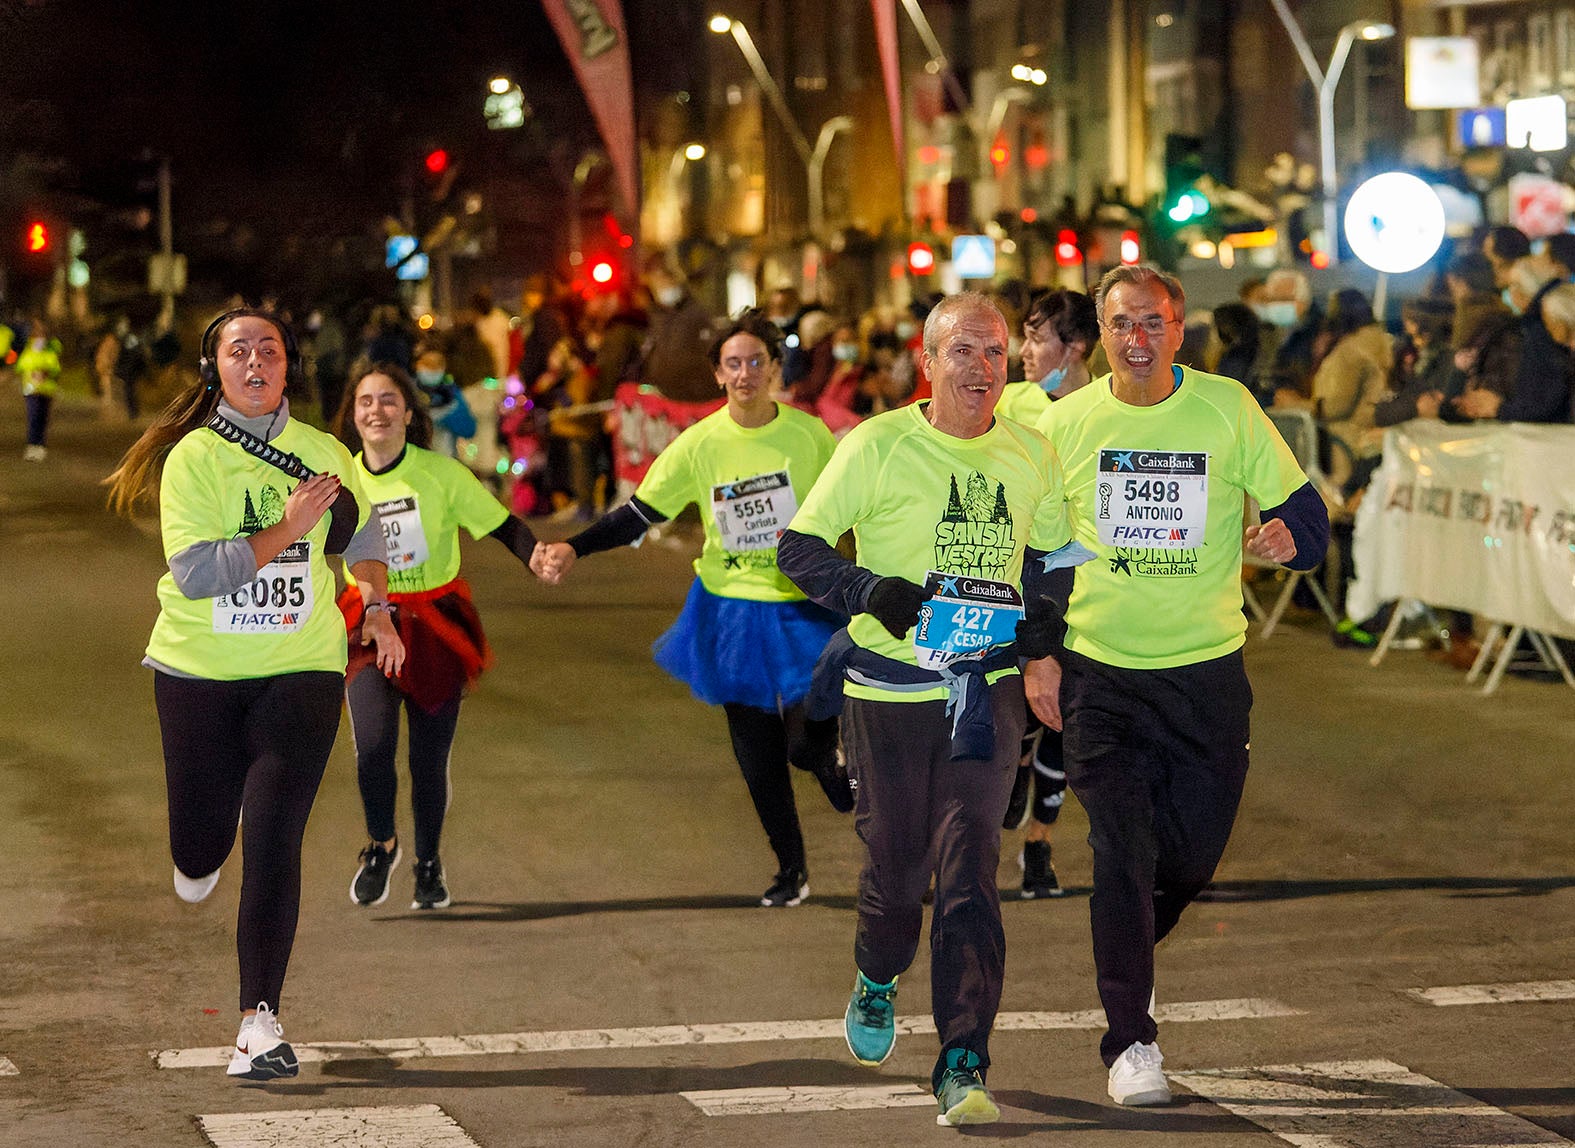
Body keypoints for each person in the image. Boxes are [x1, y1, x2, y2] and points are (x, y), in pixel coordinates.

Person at [778, 292, 1079, 1127]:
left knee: (969, 870)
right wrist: (869, 588)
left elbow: (1052, 552)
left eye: (991, 352)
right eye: (961, 352)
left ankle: (962, 1057)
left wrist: (1044, 620)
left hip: (984, 694)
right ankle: (877, 975)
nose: (979, 368)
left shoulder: (1030, 452)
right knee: (896, 880)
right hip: (889, 696)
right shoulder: (876, 445)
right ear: (928, 361)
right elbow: (797, 548)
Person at [1031, 265, 1328, 1106]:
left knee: (1190, 859)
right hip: (1103, 675)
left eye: (1151, 324)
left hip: (1203, 675)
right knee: (1120, 851)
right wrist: (1039, 653)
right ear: (1102, 329)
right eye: (1121, 324)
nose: (1136, 340)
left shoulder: (1226, 408)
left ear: (1178, 325)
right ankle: (1130, 1039)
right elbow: (1041, 554)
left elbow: (1306, 517)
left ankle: (1125, 956)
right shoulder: (1068, 424)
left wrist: (1284, 543)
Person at [105, 308, 406, 1081]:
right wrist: (288, 525)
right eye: (237, 351)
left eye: (268, 349)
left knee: (273, 833)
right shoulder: (194, 459)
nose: (254, 360)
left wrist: (374, 604)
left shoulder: (320, 450)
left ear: (287, 367)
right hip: (197, 671)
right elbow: (200, 575)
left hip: (298, 665)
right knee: (202, 844)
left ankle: (258, 1023)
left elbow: (361, 536)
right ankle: (199, 851)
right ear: (216, 371)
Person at [532, 311, 852, 907]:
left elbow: (854, 507)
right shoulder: (701, 443)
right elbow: (641, 514)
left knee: (804, 742)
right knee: (756, 753)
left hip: (802, 605)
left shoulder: (808, 437)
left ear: (775, 369)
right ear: (718, 375)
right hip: (730, 610)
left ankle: (832, 764)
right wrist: (575, 548)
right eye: (733, 363)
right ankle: (791, 868)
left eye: (757, 361)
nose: (745, 373)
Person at [332, 362, 543, 910]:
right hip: (367, 624)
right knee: (372, 749)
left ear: (407, 413)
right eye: (365, 402)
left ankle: (429, 862)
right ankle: (382, 845)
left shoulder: (442, 474)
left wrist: (536, 556)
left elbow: (502, 525)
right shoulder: (339, 481)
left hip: (435, 624)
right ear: (353, 416)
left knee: (428, 761)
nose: (376, 411)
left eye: (387, 401)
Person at [994, 287, 1099, 899]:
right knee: (1021, 710)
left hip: (1086, 586)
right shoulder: (1007, 403)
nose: (1023, 352)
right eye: (1025, 337)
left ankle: (1039, 847)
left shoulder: (1111, 407)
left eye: (1037, 339)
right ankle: (1009, 775)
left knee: (1065, 722)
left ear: (1076, 348)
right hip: (1018, 581)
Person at [16, 317, 62, 461]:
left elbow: (56, 368)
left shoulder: (49, 353)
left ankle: (40, 446)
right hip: (31, 391)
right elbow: (21, 366)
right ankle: (32, 445)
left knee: (42, 419)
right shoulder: (28, 353)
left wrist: (46, 372)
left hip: (46, 391)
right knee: (33, 418)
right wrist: (34, 372)